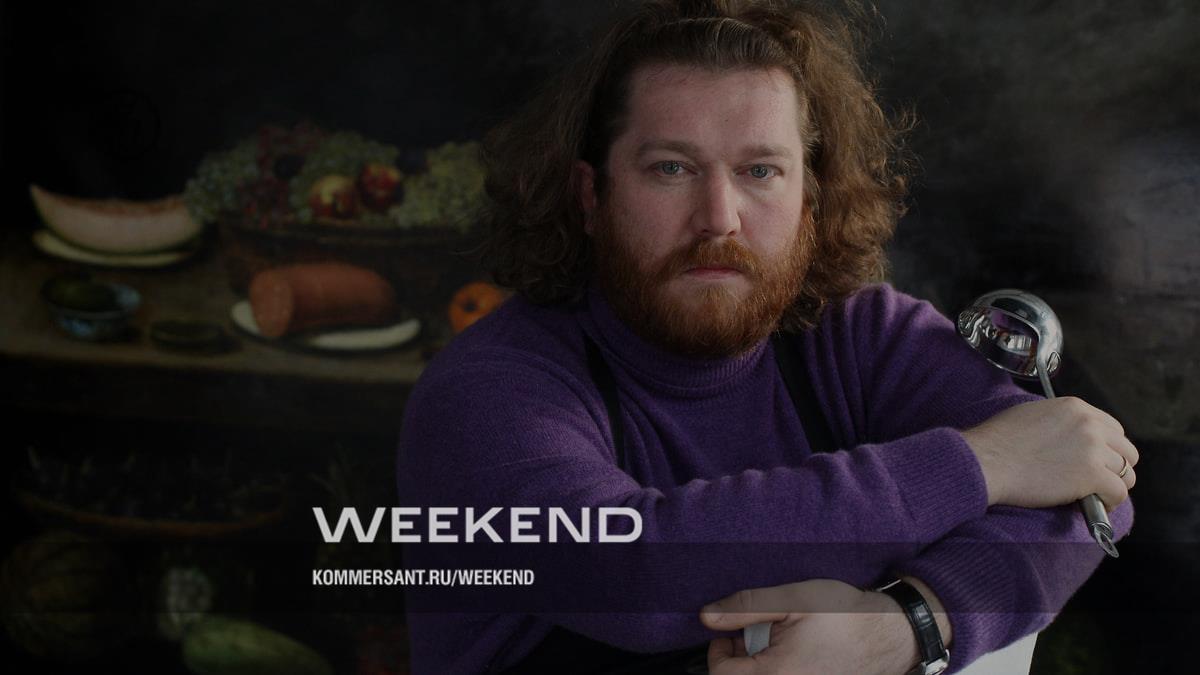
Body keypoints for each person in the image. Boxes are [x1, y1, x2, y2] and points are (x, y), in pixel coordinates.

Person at [395, 1, 1137, 673]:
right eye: (671, 168)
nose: (719, 217)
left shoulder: (859, 336)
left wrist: (905, 625)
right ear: (592, 196)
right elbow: (634, 570)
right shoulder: (487, 391)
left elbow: (1088, 489)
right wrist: (988, 461)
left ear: (810, 196)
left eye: (760, 170)